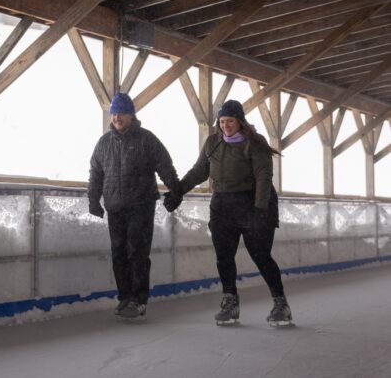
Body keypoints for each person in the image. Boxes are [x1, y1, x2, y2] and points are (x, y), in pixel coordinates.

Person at [163, 99, 292, 327]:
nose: (225, 126)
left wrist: (260, 210)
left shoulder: (254, 143)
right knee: (223, 256)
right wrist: (178, 191)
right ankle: (230, 301)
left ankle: (280, 303)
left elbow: (263, 176)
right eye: (222, 122)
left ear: (240, 122)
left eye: (229, 121)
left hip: (252, 202)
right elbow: (199, 171)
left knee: (261, 255)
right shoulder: (213, 142)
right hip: (223, 205)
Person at [88, 92, 182, 320]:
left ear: (131, 114)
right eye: (114, 113)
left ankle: (139, 300)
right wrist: (93, 200)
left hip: (140, 206)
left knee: (137, 253)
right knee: (118, 253)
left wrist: (175, 190)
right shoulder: (103, 143)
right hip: (115, 208)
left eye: (122, 112)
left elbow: (165, 165)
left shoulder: (146, 139)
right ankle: (125, 298)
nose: (117, 117)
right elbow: (95, 174)